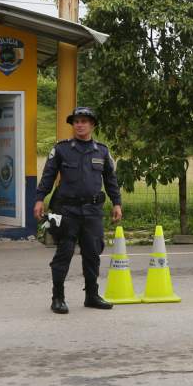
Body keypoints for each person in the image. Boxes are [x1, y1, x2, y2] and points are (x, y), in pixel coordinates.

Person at [34, 106, 122, 313]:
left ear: (92, 125)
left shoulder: (102, 150)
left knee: (93, 253)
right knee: (63, 253)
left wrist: (117, 202)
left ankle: (91, 295)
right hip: (64, 210)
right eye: (76, 121)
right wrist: (39, 200)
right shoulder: (61, 149)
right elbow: (47, 176)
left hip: (92, 211)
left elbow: (111, 180)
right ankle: (58, 297)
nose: (80, 124)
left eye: (84, 121)